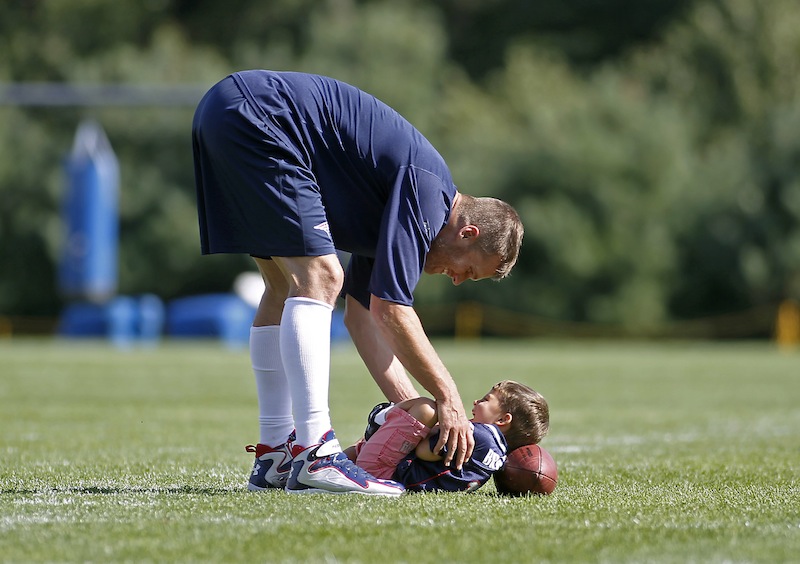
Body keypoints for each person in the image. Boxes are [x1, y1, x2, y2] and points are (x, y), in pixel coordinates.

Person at [192, 70, 524, 495]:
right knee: (321, 277)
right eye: (469, 269)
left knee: (281, 287)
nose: (458, 281)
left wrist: (413, 415)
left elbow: (363, 317)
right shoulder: (428, 191)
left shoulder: (413, 200)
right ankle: (317, 454)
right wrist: (448, 397)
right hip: (262, 115)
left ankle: (274, 455)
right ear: (468, 233)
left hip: (227, 109)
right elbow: (393, 311)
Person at [344, 380, 550, 493]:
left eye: (487, 400)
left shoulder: (479, 435)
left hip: (383, 476)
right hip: (392, 477)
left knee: (426, 408)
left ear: (503, 420)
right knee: (358, 450)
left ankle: (380, 418)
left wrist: (433, 427)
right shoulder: (497, 454)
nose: (477, 401)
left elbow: (425, 452)